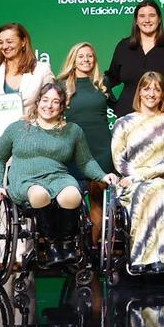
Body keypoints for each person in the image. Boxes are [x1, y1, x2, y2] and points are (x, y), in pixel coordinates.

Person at [0, 83, 117, 261]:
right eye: (45, 100)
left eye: (55, 102)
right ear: (38, 102)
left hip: (58, 177)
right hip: (25, 178)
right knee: (39, 194)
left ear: (62, 106)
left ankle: (66, 244)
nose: (49, 106)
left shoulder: (73, 131)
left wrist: (102, 175)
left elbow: (85, 161)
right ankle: (52, 246)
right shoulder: (18, 128)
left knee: (72, 195)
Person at [110, 71, 164, 274]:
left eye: (157, 89)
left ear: (162, 95)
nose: (151, 93)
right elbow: (118, 160)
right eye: (147, 88)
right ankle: (152, 257)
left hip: (160, 181)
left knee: (154, 189)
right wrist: (133, 178)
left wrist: (140, 176)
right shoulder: (123, 123)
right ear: (139, 92)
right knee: (143, 191)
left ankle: (145, 256)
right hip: (130, 183)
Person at [56, 42, 113, 246]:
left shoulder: (102, 82)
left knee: (98, 200)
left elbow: (122, 108)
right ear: (73, 59)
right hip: (72, 148)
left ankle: (93, 247)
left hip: (102, 148)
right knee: (73, 200)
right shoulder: (61, 84)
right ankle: (73, 246)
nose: (86, 60)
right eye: (81, 56)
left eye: (90, 56)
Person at [103, 0, 164, 118]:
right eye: (142, 16)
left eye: (152, 15)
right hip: (128, 119)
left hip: (163, 120)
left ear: (159, 19)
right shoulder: (124, 47)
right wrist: (111, 101)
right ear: (136, 21)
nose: (147, 20)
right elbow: (111, 78)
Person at [0, 22, 54, 154]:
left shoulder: (41, 69)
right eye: (1, 42)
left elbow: (51, 102)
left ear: (23, 42)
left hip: (32, 140)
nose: (4, 46)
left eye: (9, 41)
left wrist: (33, 117)